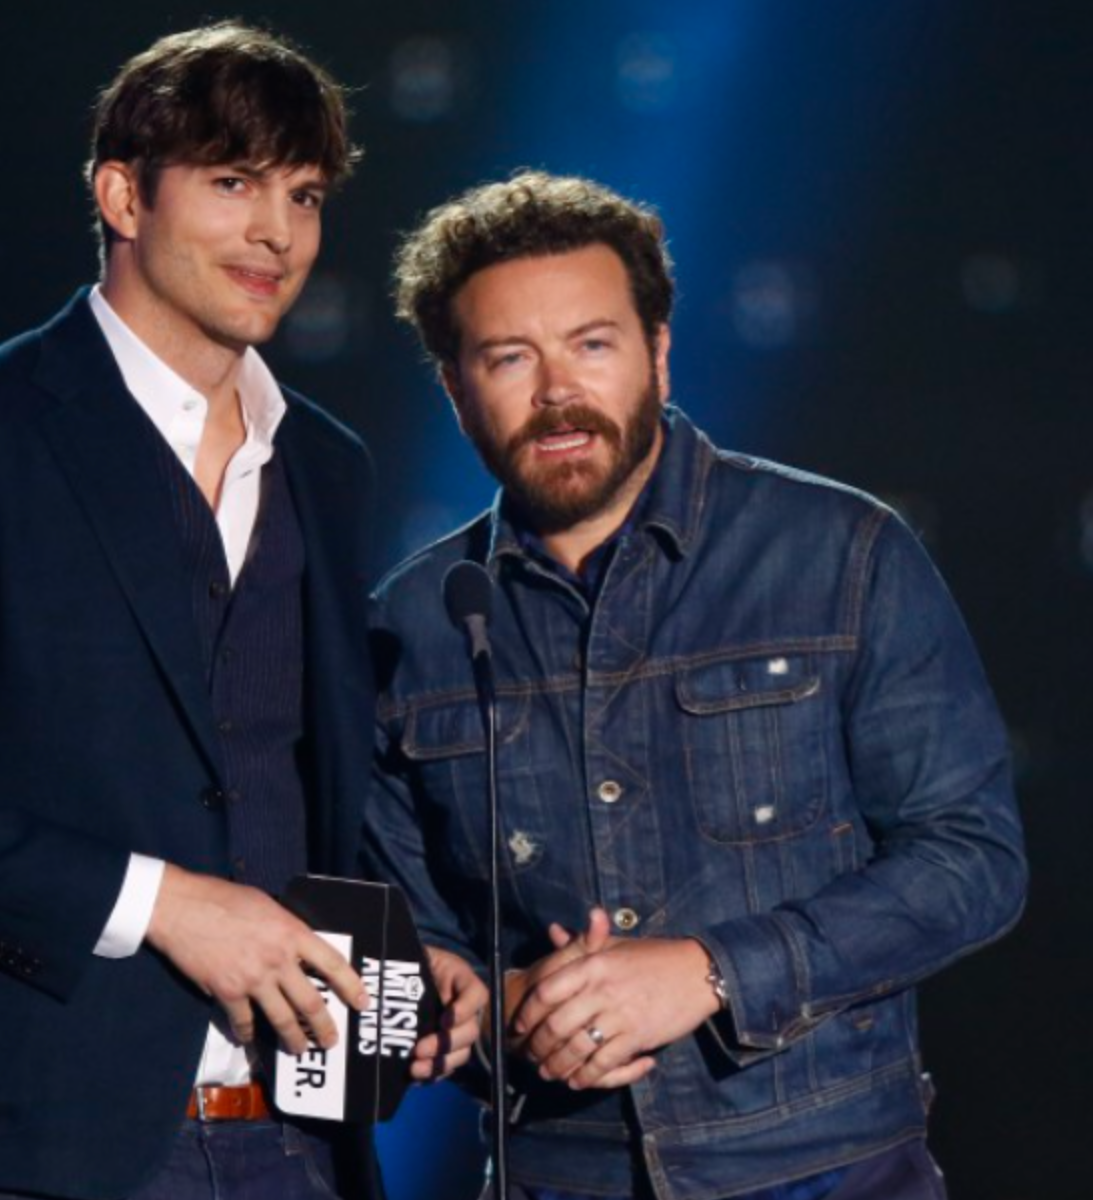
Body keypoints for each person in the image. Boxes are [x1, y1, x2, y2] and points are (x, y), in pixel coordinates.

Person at [0, 23, 481, 1200]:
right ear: (120, 193)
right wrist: (158, 904)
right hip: (49, 1134)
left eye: (303, 195)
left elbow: (302, 780)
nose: (276, 232)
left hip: (302, 1136)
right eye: (231, 182)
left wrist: (418, 949)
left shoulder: (323, 460)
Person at [364, 172, 1028, 1199]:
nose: (555, 395)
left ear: (657, 352)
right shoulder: (409, 625)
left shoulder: (838, 553)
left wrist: (710, 971)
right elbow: (401, 951)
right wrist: (473, 1004)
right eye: (508, 358)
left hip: (824, 1166)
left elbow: (971, 861)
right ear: (453, 386)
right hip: (551, 1173)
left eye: (591, 344)